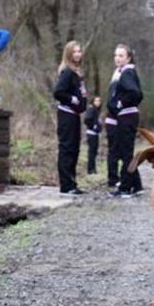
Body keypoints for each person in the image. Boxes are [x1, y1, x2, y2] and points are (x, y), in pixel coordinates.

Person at [107, 44, 144, 198]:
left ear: (128, 58)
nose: (117, 58)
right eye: (116, 55)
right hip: (127, 116)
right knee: (126, 152)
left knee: (126, 153)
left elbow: (135, 93)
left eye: (121, 55)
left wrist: (120, 103)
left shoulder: (127, 72)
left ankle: (125, 188)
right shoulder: (123, 72)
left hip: (127, 116)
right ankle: (136, 185)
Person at [53, 41, 88, 195]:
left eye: (79, 51)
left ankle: (72, 183)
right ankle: (66, 186)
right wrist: (72, 99)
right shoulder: (67, 72)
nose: (77, 54)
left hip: (74, 116)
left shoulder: (76, 72)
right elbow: (58, 92)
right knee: (67, 149)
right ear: (68, 54)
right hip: (66, 115)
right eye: (74, 52)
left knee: (74, 149)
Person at [85, 96, 103, 175]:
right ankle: (90, 169)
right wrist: (93, 126)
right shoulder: (91, 109)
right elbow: (87, 119)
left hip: (95, 134)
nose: (98, 102)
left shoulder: (96, 110)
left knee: (94, 152)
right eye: (96, 101)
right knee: (92, 152)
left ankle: (93, 169)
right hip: (91, 133)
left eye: (99, 101)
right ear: (93, 101)